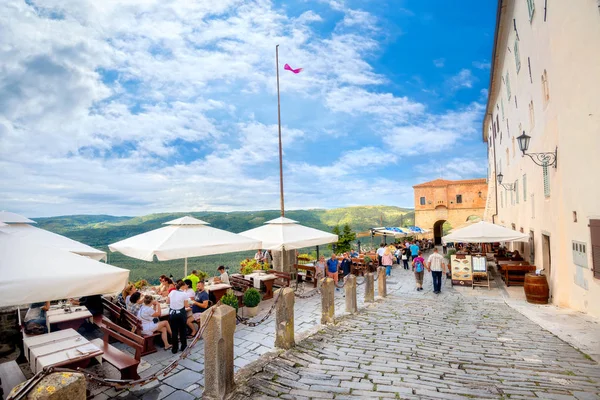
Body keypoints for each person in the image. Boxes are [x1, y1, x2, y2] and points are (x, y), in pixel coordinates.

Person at [167, 280, 190, 353]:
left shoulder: (172, 292)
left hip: (172, 313)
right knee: (182, 330)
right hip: (180, 313)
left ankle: (174, 348)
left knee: (174, 331)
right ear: (182, 286)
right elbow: (186, 305)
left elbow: (167, 301)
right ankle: (183, 346)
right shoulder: (184, 294)